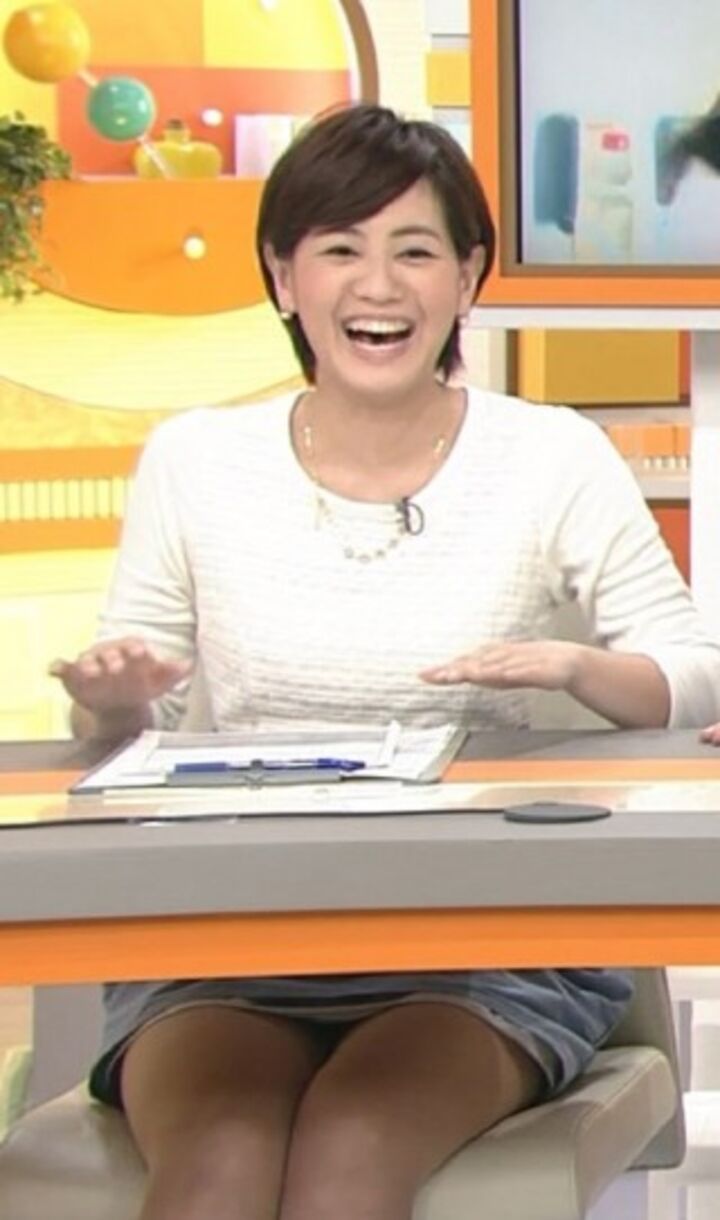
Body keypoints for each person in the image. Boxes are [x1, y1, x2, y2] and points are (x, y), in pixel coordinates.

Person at [50, 103, 720, 1220]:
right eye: (340, 250)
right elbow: (130, 731)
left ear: (467, 278)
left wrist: (573, 668)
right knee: (217, 1161)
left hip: (489, 945)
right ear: (283, 277)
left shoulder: (550, 454)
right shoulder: (195, 459)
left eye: (415, 251)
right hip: (227, 942)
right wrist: (114, 702)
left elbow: (692, 669)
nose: (378, 286)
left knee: (350, 1152)